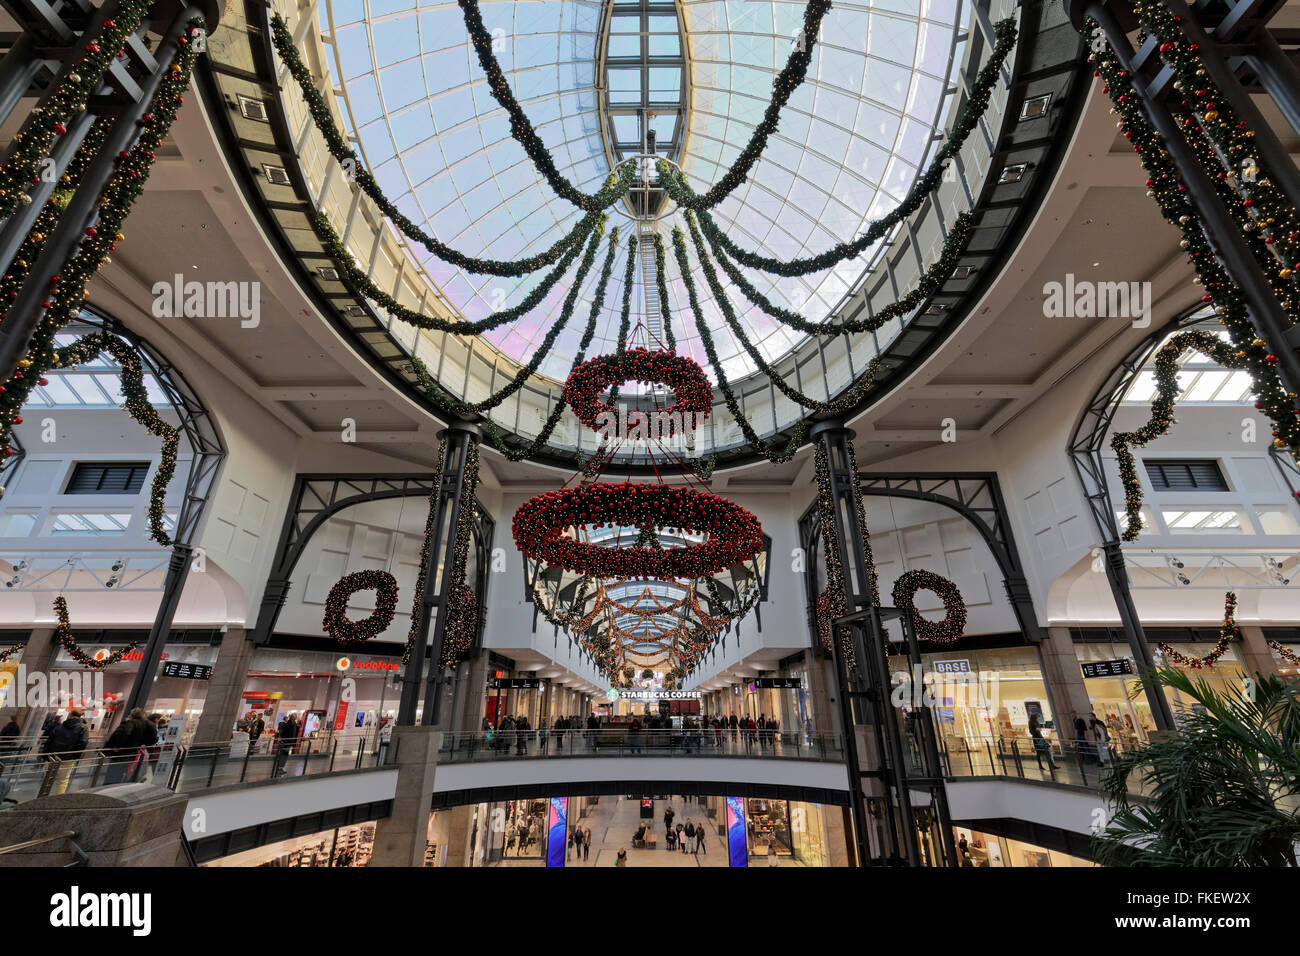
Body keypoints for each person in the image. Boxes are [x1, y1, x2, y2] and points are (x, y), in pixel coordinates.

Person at [102, 707, 159, 783]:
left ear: (132, 715)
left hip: (122, 752)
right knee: (123, 771)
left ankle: (109, 786)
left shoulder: (131, 723)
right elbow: (152, 739)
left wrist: (118, 746)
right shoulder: (145, 725)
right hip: (132, 752)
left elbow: (125, 733)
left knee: (113, 772)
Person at [273, 711, 300, 778]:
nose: (295, 718)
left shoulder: (294, 724)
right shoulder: (287, 724)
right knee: (283, 755)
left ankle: (280, 768)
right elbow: (282, 733)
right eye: (294, 717)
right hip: (286, 743)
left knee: (285, 755)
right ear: (292, 717)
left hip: (289, 742)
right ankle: (279, 768)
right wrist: (282, 740)